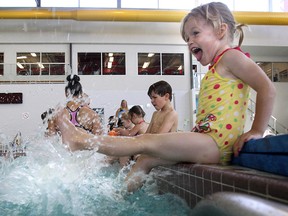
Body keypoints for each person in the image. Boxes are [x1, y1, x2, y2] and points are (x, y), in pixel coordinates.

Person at [50, 2, 276, 193]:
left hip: (216, 142)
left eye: (195, 33)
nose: (189, 41)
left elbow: (267, 89)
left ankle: (80, 140)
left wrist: (256, 130)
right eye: (187, 37)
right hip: (207, 139)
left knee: (144, 142)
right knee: (146, 158)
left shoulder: (231, 57)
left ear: (221, 30)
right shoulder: (218, 66)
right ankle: (119, 198)